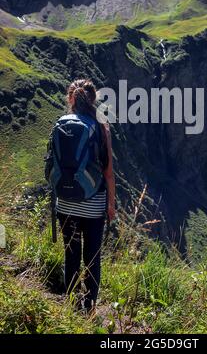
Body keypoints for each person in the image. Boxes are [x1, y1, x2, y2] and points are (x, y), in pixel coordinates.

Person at [49, 79, 115, 313]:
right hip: (93, 203)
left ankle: (69, 305)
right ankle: (88, 307)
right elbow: (107, 172)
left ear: (71, 99)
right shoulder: (100, 126)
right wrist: (111, 204)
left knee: (71, 254)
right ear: (93, 99)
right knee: (92, 257)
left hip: (65, 202)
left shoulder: (61, 124)